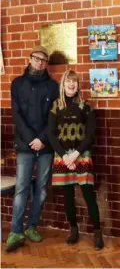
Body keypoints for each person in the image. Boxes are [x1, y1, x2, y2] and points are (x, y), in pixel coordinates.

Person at [6, 46, 59, 252]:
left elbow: (53, 118)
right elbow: (17, 115)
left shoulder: (53, 87)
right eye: (37, 59)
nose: (39, 63)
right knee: (21, 188)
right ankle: (15, 231)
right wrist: (31, 139)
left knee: (42, 189)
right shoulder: (17, 84)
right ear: (30, 59)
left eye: (43, 60)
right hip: (25, 146)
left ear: (46, 64)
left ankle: (32, 226)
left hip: (46, 147)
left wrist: (42, 139)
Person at [48, 70, 104, 250]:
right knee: (68, 197)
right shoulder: (56, 106)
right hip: (62, 157)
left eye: (75, 82)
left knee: (89, 195)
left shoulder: (86, 106)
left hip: (82, 155)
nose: (72, 85)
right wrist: (64, 155)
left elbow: (91, 134)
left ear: (78, 85)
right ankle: (73, 230)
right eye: (68, 82)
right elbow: (51, 133)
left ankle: (97, 232)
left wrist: (75, 154)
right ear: (63, 84)